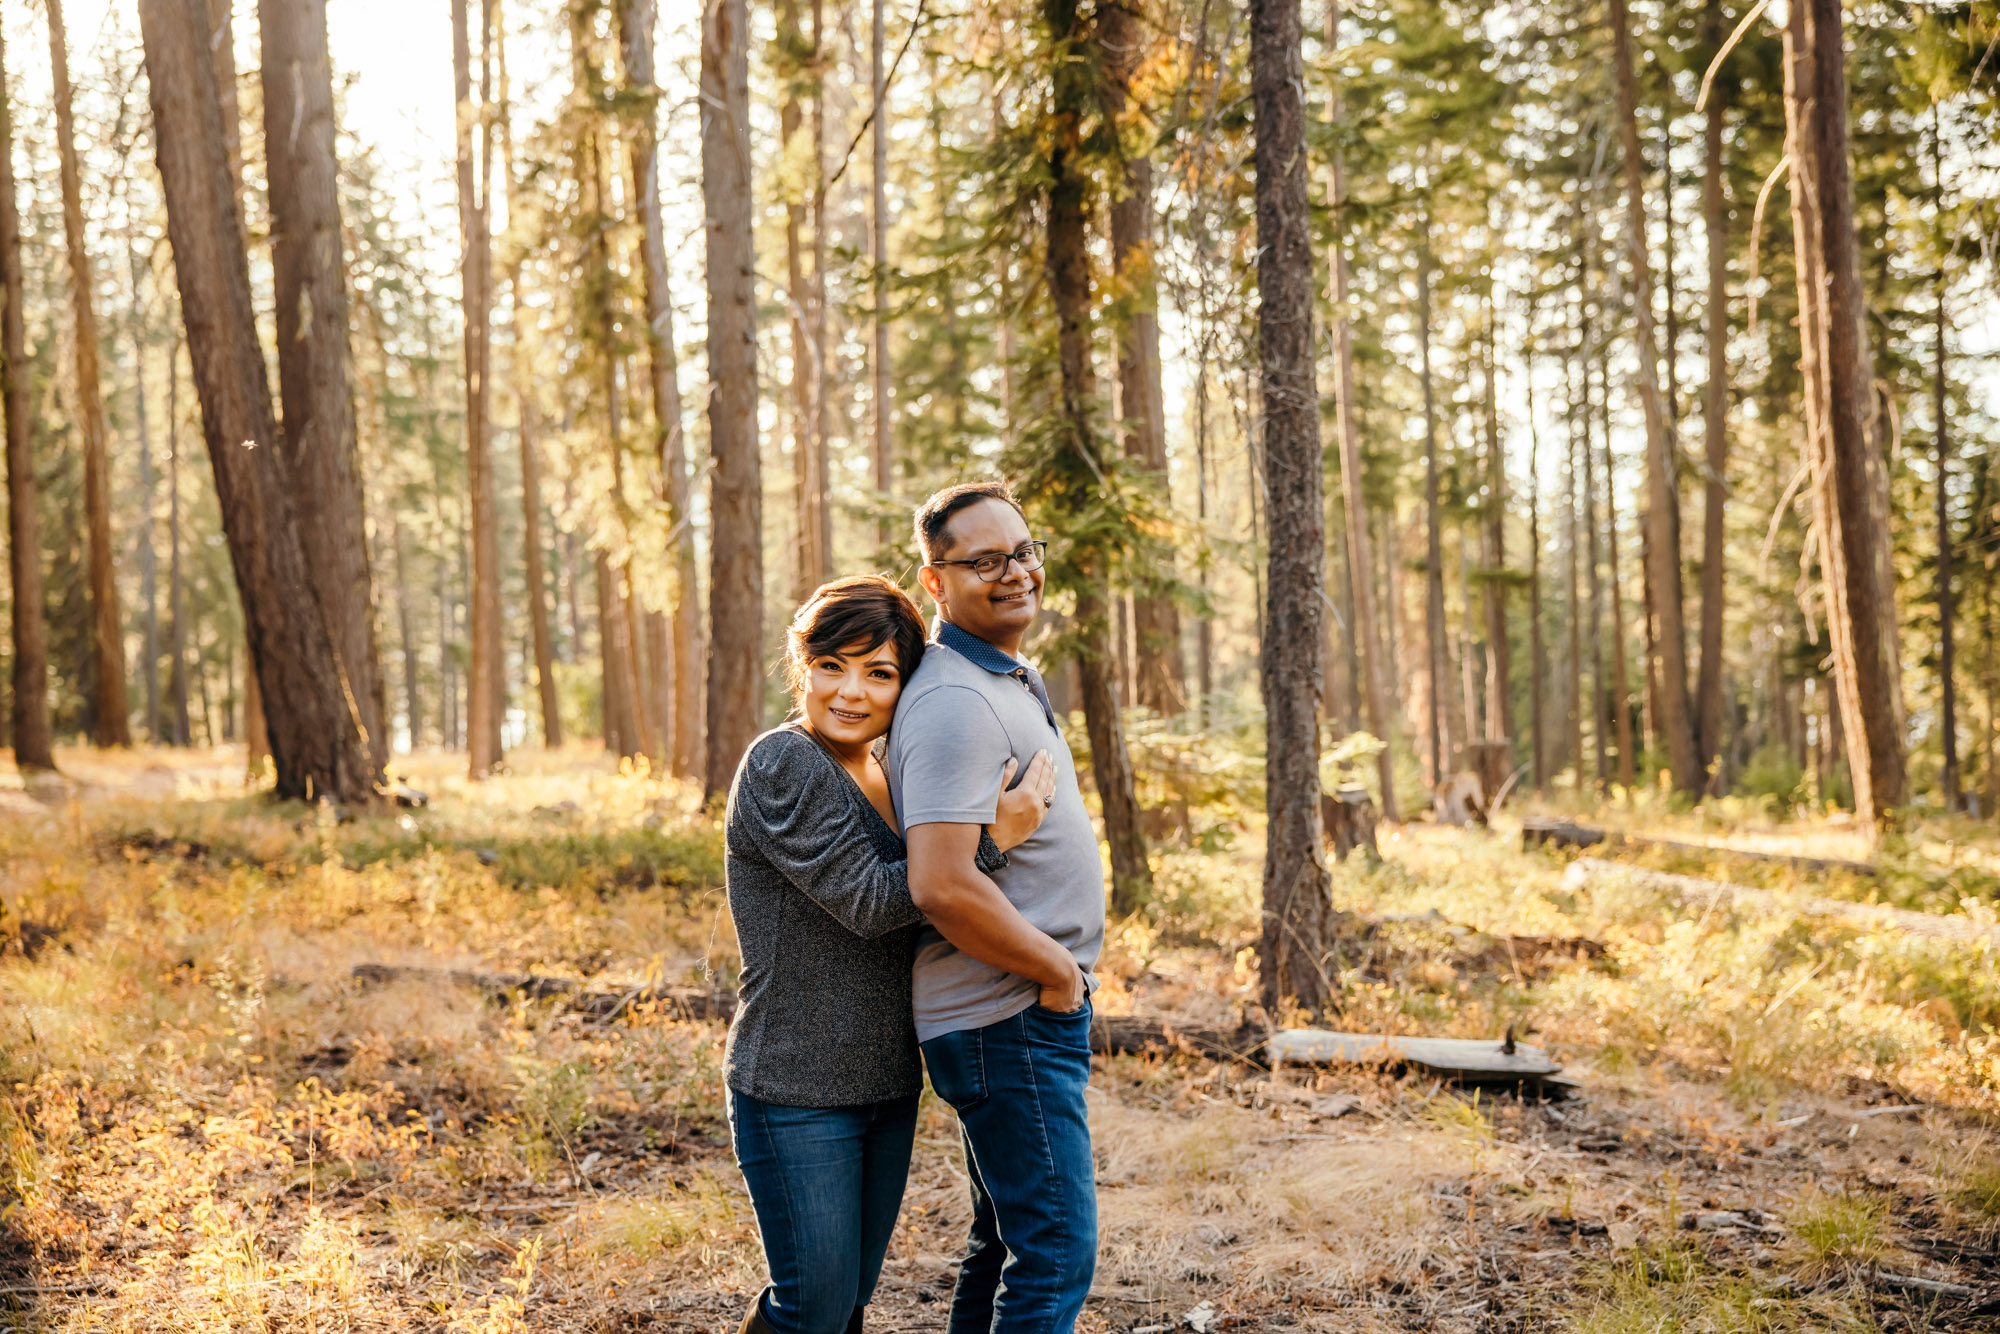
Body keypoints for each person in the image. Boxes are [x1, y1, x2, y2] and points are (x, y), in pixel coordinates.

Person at [722, 575, 1061, 1334]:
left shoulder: (881, 768)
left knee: (844, 1305)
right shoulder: (784, 764)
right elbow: (876, 903)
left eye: (879, 673)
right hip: (796, 1086)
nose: (850, 693)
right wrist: (990, 839)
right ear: (800, 664)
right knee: (810, 1305)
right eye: (832, 666)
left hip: (884, 1080)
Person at [886, 482, 1105, 1334]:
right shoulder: (953, 702)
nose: (1014, 574)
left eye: (1023, 552)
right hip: (1006, 1014)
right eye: (983, 561)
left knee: (1006, 1243)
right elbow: (939, 883)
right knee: (1053, 1253)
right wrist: (1055, 974)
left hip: (1012, 1012)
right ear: (935, 583)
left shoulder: (1004, 677)